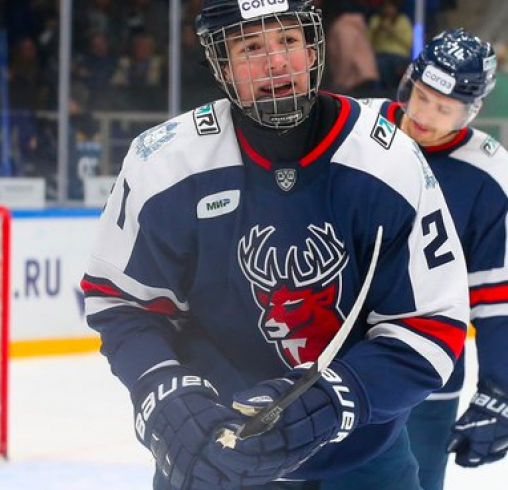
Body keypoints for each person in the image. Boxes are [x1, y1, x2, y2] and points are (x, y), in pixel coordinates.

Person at [80, 2, 470, 490]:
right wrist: (165, 393)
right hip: (211, 452)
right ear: (221, 66)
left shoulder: (387, 161)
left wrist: (331, 402)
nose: (274, 63)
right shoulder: (165, 163)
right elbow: (123, 303)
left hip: (361, 462)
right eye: (250, 48)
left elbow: (432, 326)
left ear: (312, 49)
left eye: (287, 41)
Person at [356, 29, 508, 490]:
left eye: (444, 108)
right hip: (331, 358)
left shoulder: (493, 174)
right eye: (422, 97)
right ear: (408, 83)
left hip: (427, 373)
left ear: (472, 110)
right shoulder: (355, 129)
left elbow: (502, 295)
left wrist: (499, 391)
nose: (425, 116)